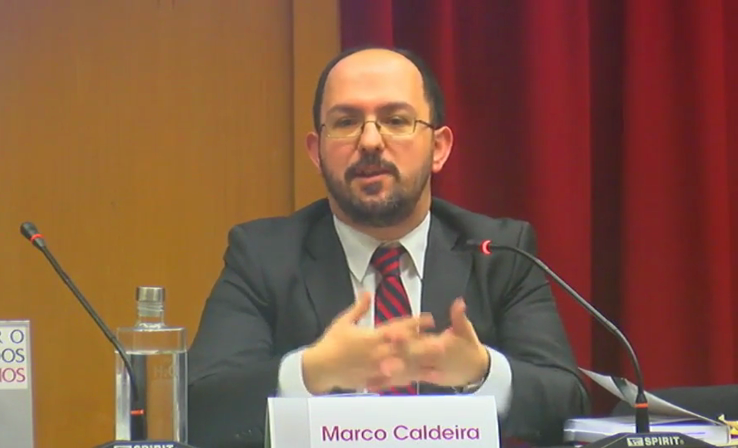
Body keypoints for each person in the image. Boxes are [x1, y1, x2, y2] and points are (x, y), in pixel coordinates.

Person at [187, 46, 589, 448]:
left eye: (396, 120)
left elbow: (567, 402)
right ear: (316, 152)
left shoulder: (500, 253)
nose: (370, 141)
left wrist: (482, 372)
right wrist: (309, 373)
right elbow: (199, 406)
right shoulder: (264, 256)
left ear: (439, 147)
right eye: (346, 122)